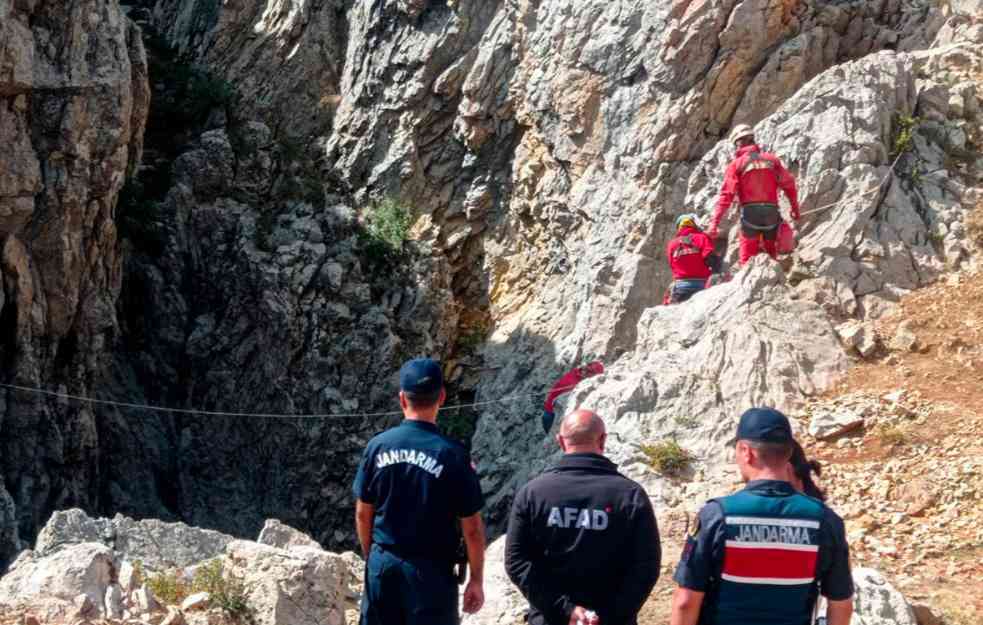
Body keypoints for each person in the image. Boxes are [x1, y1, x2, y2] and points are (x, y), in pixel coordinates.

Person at [670, 408, 853, 625]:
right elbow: (841, 605)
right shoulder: (824, 520)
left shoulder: (718, 516)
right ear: (788, 453)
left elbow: (686, 601)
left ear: (746, 451)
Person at [353, 358, 486, 625]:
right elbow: (471, 528)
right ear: (442, 397)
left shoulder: (378, 447)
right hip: (431, 573)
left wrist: (374, 558)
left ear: (402, 399)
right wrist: (476, 579)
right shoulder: (453, 455)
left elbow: (362, 514)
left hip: (384, 563)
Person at [506, 410, 661, 625]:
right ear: (603, 440)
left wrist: (564, 609)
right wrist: (608, 616)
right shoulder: (630, 494)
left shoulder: (533, 492)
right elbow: (647, 566)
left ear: (560, 441)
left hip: (550, 619)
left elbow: (517, 562)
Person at [708, 125, 801, 264]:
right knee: (771, 252)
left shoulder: (736, 165)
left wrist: (714, 223)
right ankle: (773, 276)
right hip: (771, 213)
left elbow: (726, 195)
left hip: (750, 214)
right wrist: (795, 209)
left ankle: (748, 278)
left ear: (738, 143)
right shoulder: (772, 160)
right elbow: (789, 185)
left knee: (746, 257)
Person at [666, 214, 721, 304]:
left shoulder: (672, 244)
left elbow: (672, 266)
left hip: (681, 287)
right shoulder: (702, 238)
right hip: (702, 285)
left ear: (679, 227)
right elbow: (711, 258)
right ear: (693, 225)